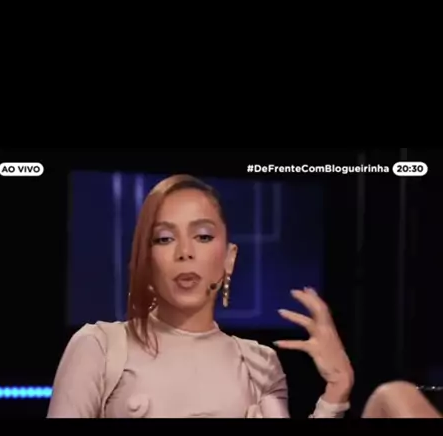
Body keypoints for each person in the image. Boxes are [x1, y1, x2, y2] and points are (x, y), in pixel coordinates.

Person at [47, 174, 354, 418]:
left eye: (203, 236)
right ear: (146, 258)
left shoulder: (259, 364)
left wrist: (336, 393)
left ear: (229, 258)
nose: (185, 252)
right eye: (165, 238)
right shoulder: (99, 348)